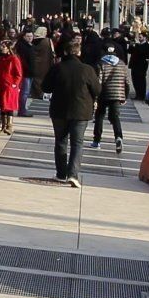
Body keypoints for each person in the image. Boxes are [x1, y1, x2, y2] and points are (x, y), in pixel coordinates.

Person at [42, 38, 101, 188]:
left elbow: (46, 87)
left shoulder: (57, 68)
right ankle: (73, 174)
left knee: (60, 141)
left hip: (59, 110)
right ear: (79, 52)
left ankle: (61, 174)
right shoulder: (87, 69)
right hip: (81, 111)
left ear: (66, 52)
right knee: (77, 143)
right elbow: (97, 90)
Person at [90, 45, 130, 153]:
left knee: (99, 116)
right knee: (115, 117)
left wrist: (95, 97)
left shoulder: (101, 63)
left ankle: (97, 141)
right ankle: (118, 137)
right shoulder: (122, 64)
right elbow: (127, 82)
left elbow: (99, 81)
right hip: (117, 94)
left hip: (104, 93)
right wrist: (125, 96)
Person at [0, 39, 23, 134]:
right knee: (0, 105)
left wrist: (15, 84)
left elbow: (18, 74)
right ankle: (2, 124)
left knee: (8, 105)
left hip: (9, 85)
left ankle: (9, 125)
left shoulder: (14, 59)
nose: (1, 48)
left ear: (8, 48)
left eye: (3, 47)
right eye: (1, 46)